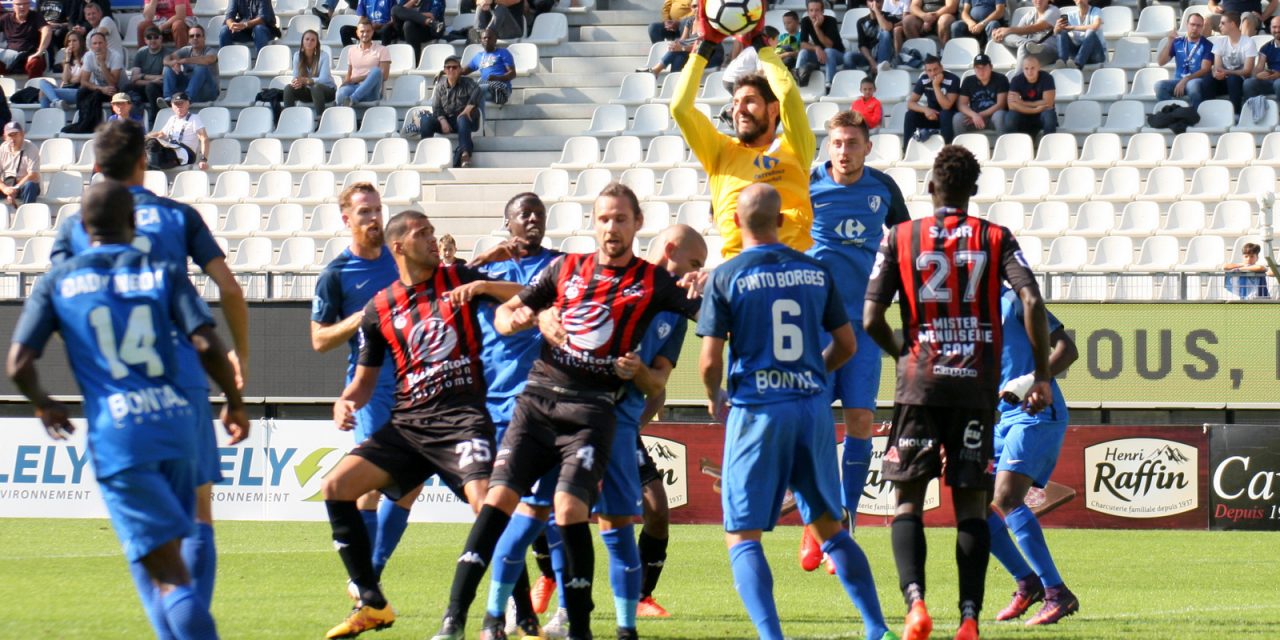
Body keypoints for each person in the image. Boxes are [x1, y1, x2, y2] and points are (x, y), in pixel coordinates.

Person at [428, 183, 703, 640]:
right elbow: (512, 311)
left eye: (620, 219)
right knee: (519, 509)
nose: (611, 227)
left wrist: (638, 372)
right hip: (544, 404)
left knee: (596, 517)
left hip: (604, 416)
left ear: (637, 224)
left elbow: (669, 369)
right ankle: (481, 617)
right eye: (603, 219)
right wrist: (531, 316)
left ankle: (606, 623)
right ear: (594, 223)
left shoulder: (662, 293)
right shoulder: (568, 269)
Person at [8, 179, 248, 640]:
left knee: (169, 575)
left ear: (82, 226)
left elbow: (18, 363)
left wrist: (44, 404)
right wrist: (235, 402)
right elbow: (205, 342)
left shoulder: (60, 280)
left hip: (120, 436)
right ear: (132, 221)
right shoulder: (161, 270)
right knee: (185, 539)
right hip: (178, 424)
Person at [864, 145, 1053, 640]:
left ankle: (915, 605)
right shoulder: (995, 237)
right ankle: (969, 618)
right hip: (974, 390)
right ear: (973, 191)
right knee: (970, 506)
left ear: (930, 186)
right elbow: (1030, 299)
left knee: (907, 502)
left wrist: (903, 353)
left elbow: (869, 319)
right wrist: (1040, 375)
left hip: (919, 388)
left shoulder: (900, 237)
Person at [697, 183, 892, 640]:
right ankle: (877, 628)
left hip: (758, 411)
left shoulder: (726, 276)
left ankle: (772, 637)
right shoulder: (814, 271)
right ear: (781, 221)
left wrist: (714, 393)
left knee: (743, 535)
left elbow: (709, 361)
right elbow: (846, 345)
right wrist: (811, 376)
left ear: (735, 222)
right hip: (811, 410)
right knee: (832, 528)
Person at [322, 210, 523, 639]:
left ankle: (515, 614)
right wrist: (346, 401)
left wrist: (485, 285)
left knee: (489, 506)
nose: (433, 239)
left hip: (462, 420)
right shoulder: (379, 309)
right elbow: (364, 381)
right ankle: (372, 602)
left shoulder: (458, 279)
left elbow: (530, 296)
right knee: (336, 487)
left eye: (433, 232)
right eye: (422, 234)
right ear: (399, 246)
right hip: (409, 427)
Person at [800, 110, 909, 579]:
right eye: (837, 143)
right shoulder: (806, 186)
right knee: (816, 424)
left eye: (852, 143)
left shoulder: (883, 189)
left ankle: (845, 522)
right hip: (816, 323)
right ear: (829, 146)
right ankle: (815, 520)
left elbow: (905, 242)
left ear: (868, 146)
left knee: (862, 419)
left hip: (863, 323)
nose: (844, 151)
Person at [464, 193, 563, 638]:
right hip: (495, 405)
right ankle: (511, 611)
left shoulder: (558, 266)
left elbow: (542, 294)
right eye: (524, 213)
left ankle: (561, 608)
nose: (533, 218)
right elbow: (449, 287)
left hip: (548, 403)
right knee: (506, 512)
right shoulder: (486, 272)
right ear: (507, 224)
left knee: (558, 511)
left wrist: (487, 284)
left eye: (539, 213)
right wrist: (482, 263)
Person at [311, 183, 415, 598]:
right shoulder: (336, 274)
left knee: (410, 484)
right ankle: (367, 577)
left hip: (413, 380)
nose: (374, 219)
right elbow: (319, 340)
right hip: (371, 384)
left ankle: (369, 572)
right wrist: (360, 318)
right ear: (347, 219)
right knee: (373, 480)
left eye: (377, 210)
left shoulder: (400, 260)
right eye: (365, 212)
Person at [672, 15, 815, 259]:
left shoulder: (795, 147)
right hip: (740, 274)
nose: (738, 110)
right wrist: (703, 48)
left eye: (750, 101)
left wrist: (762, 46)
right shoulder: (720, 152)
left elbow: (789, 95)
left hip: (793, 268)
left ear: (772, 109)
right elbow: (680, 108)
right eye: (736, 102)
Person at [987, 287, 1080, 627]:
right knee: (974, 501)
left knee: (1006, 497)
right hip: (1001, 417)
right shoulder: (963, 311)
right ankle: (1027, 584)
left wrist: (1030, 380)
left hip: (1036, 411)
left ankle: (1057, 593)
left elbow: (1067, 350)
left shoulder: (1013, 300)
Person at [421, 55, 480, 168]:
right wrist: (442, 121)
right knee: (426, 120)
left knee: (462, 118)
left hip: (464, 120)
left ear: (459, 69)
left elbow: (477, 91)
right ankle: (426, 153)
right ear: (444, 70)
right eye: (448, 67)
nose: (451, 70)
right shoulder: (440, 86)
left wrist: (468, 109)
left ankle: (465, 155)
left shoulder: (468, 83)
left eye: (454, 67)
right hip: (446, 119)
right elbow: (436, 107)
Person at [63, 30, 122, 134]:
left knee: (97, 94)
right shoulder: (89, 56)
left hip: (118, 88)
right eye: (95, 43)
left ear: (106, 44)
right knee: (82, 92)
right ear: (91, 46)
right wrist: (101, 88)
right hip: (102, 88)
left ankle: (94, 126)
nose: (98, 46)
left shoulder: (115, 56)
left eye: (100, 43)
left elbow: (113, 82)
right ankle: (82, 122)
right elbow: (84, 81)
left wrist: (102, 64)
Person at [902, 55, 960, 150]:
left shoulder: (953, 79)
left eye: (935, 69)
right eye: (929, 70)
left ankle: (947, 150)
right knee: (910, 115)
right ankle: (907, 149)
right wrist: (925, 110)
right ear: (925, 71)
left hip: (949, 117)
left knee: (945, 114)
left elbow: (946, 106)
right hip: (932, 116)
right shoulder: (924, 80)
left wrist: (936, 85)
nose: (933, 73)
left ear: (941, 68)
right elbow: (910, 103)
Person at [1155, 13, 1213, 105]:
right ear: (1187, 25)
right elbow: (1161, 62)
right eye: (1192, 24)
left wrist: (1186, 79)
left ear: (1202, 27)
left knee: (1193, 85)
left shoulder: (1207, 45)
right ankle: (1173, 112)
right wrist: (1170, 41)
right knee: (1159, 86)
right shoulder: (1178, 42)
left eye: (1198, 26)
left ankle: (1195, 115)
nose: (1195, 28)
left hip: (1196, 80)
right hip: (1178, 81)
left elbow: (1205, 69)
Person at [145, 92, 209, 170]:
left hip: (186, 152)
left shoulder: (194, 118)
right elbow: (161, 134)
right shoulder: (172, 119)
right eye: (176, 104)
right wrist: (146, 137)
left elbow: (204, 138)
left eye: (181, 104)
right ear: (172, 106)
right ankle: (153, 170)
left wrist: (203, 159)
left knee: (154, 151)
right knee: (149, 146)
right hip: (171, 148)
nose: (179, 107)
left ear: (188, 104)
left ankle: (153, 171)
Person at [1208, 12, 1258, 111]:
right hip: (1223, 80)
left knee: (1233, 79)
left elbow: (1247, 71)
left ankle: (1236, 113)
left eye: (1222, 23)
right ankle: (1208, 111)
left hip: (1241, 81)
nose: (1219, 26)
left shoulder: (1248, 42)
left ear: (1232, 24)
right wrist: (1216, 73)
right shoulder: (1220, 42)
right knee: (1207, 80)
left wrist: (1226, 72)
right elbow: (1218, 67)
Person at [338, 19, 391, 107]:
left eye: (368, 31)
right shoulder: (351, 50)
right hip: (354, 87)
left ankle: (352, 99)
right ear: (357, 32)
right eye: (362, 31)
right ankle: (348, 103)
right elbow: (350, 73)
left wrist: (359, 78)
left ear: (372, 32)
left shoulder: (382, 50)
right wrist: (345, 84)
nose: (365, 34)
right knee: (340, 94)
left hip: (372, 90)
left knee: (376, 71)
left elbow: (384, 76)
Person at [162, 24, 219, 104]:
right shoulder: (185, 50)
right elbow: (167, 58)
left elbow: (208, 60)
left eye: (198, 35)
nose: (195, 38)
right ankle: (168, 99)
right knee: (167, 68)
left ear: (204, 37)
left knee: (201, 68)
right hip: (189, 88)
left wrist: (185, 60)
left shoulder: (211, 51)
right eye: (192, 36)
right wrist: (173, 63)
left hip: (207, 91)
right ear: (189, 39)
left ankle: (187, 98)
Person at [990, 0, 1058, 67]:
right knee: (1006, 37)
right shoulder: (1029, 15)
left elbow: (1038, 27)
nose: (1038, 0)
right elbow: (1016, 35)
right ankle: (1026, 43)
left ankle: (1026, 44)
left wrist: (1007, 30)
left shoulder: (1053, 10)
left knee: (1020, 46)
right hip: (1029, 50)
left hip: (1048, 51)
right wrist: (998, 34)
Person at [1001, 55, 1056, 137]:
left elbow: (1048, 103)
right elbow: (1012, 106)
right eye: (1026, 68)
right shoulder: (1016, 80)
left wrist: (1021, 102)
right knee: (1010, 116)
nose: (1029, 72)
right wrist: (1036, 109)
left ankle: (1050, 144)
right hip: (1024, 115)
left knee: (1049, 114)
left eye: (1032, 68)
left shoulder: (1047, 78)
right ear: (1023, 69)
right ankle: (1012, 145)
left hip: (1042, 115)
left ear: (1038, 68)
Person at [796, 0, 846, 88]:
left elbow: (829, 45)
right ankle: (797, 81)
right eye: (811, 10)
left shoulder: (831, 21)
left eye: (817, 10)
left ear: (822, 11)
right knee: (803, 52)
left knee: (828, 51)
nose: (814, 13)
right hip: (819, 54)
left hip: (837, 55)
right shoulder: (805, 21)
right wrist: (816, 48)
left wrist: (816, 27)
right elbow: (802, 44)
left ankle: (829, 85)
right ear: (807, 12)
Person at [954, 54, 1008, 134]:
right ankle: (960, 145)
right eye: (978, 68)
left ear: (991, 67)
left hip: (993, 118)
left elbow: (1001, 105)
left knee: (1000, 115)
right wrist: (974, 115)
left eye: (984, 67)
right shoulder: (968, 81)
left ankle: (1004, 144)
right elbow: (961, 104)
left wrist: (980, 115)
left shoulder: (1001, 79)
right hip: (974, 118)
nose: (981, 71)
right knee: (958, 118)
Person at [284, 29, 336, 110]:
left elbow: (324, 79)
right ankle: (288, 116)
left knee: (316, 87)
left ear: (316, 43)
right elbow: (295, 77)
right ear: (302, 41)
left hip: (327, 91)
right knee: (288, 88)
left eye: (313, 40)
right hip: (308, 91)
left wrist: (306, 80)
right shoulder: (297, 56)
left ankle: (320, 118)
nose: (309, 42)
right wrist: (296, 82)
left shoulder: (324, 56)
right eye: (307, 39)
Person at [464, 29, 517, 107]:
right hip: (484, 88)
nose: (487, 40)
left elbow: (513, 74)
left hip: (501, 90)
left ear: (495, 40)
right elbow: (463, 71)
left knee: (475, 91)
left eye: (490, 38)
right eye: (484, 38)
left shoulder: (503, 52)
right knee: (469, 94)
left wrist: (497, 78)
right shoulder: (478, 56)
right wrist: (445, 71)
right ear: (480, 40)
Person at [0, 0, 52, 78]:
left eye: (25, 4)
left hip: (30, 55)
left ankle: (33, 88)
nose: (22, 7)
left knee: (35, 63)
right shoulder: (5, 18)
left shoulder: (35, 16)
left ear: (29, 5)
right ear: (13, 6)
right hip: (11, 58)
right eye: (19, 4)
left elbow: (47, 30)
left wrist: (40, 52)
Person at [130, 27, 171, 123]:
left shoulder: (168, 54)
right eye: (149, 37)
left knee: (150, 87)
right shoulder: (140, 53)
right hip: (147, 87)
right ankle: (126, 119)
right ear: (145, 40)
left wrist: (142, 76)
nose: (152, 40)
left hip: (160, 90)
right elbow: (134, 79)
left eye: (156, 37)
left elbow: (163, 79)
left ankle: (155, 119)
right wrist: (149, 78)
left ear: (161, 39)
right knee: (126, 87)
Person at [38, 30, 85, 108]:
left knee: (44, 92)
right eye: (69, 41)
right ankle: (56, 102)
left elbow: (77, 80)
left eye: (74, 41)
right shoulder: (67, 61)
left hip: (79, 91)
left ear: (80, 42)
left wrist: (70, 79)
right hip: (67, 89)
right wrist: (67, 59)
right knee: (42, 82)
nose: (71, 44)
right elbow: (66, 79)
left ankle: (54, 103)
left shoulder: (86, 57)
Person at [849, 0, 897, 74]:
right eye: (871, 0)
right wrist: (871, 61)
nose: (874, 3)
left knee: (885, 34)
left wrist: (877, 11)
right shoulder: (861, 21)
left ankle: (880, 71)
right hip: (869, 56)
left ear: (883, 2)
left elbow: (886, 28)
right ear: (867, 3)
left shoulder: (890, 16)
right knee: (848, 56)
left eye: (878, 1)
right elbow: (862, 45)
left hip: (886, 56)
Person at [0, 122, 40, 207]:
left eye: (15, 135)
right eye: (10, 135)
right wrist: (4, 188)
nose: (13, 139)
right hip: (7, 183)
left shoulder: (32, 148)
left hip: (23, 184)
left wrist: (15, 188)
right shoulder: (2, 148)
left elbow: (33, 175)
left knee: (31, 185)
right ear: (4, 137)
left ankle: (28, 212)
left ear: (22, 134)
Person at [1054, 0, 1104, 68]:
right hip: (1077, 53)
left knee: (1090, 32)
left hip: (1095, 55)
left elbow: (1095, 26)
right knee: (1061, 32)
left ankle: (1078, 64)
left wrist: (1073, 28)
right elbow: (1056, 33)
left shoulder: (1096, 11)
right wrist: (1057, 28)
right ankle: (1063, 61)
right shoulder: (1069, 15)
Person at [1246, 17, 1280, 97]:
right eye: (1274, 27)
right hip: (1271, 79)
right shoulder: (1266, 47)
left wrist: (1279, 74)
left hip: (1278, 82)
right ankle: (1252, 109)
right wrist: (1257, 75)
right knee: (1248, 83)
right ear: (1270, 28)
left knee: (1278, 84)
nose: (1277, 30)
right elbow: (1259, 67)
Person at [1208, 0, 1272, 36]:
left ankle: (1242, 56)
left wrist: (1263, 16)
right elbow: (1211, 2)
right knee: (1208, 20)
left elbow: (1274, 1)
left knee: (1247, 17)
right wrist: (1213, 7)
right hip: (1227, 18)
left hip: (1250, 18)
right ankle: (1203, 55)